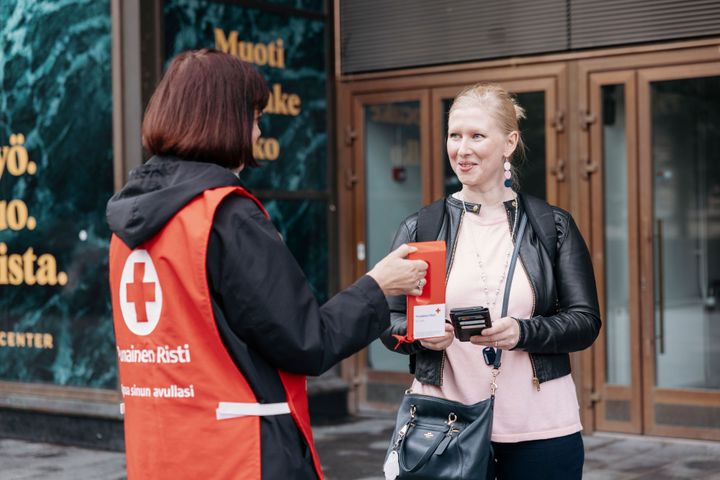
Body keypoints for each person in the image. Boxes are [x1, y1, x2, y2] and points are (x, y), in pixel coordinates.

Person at [106, 49, 428, 480]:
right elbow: (306, 340)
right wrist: (377, 285)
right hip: (238, 456)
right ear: (225, 119)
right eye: (255, 116)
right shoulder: (225, 215)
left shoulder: (128, 224)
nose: (258, 131)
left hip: (161, 455)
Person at [381, 84, 601, 479]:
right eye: (455, 135)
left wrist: (522, 331)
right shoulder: (421, 227)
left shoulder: (553, 226)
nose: (462, 149)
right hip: (443, 424)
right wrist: (419, 335)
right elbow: (387, 320)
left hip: (540, 427)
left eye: (477, 136)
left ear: (509, 143)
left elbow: (585, 322)